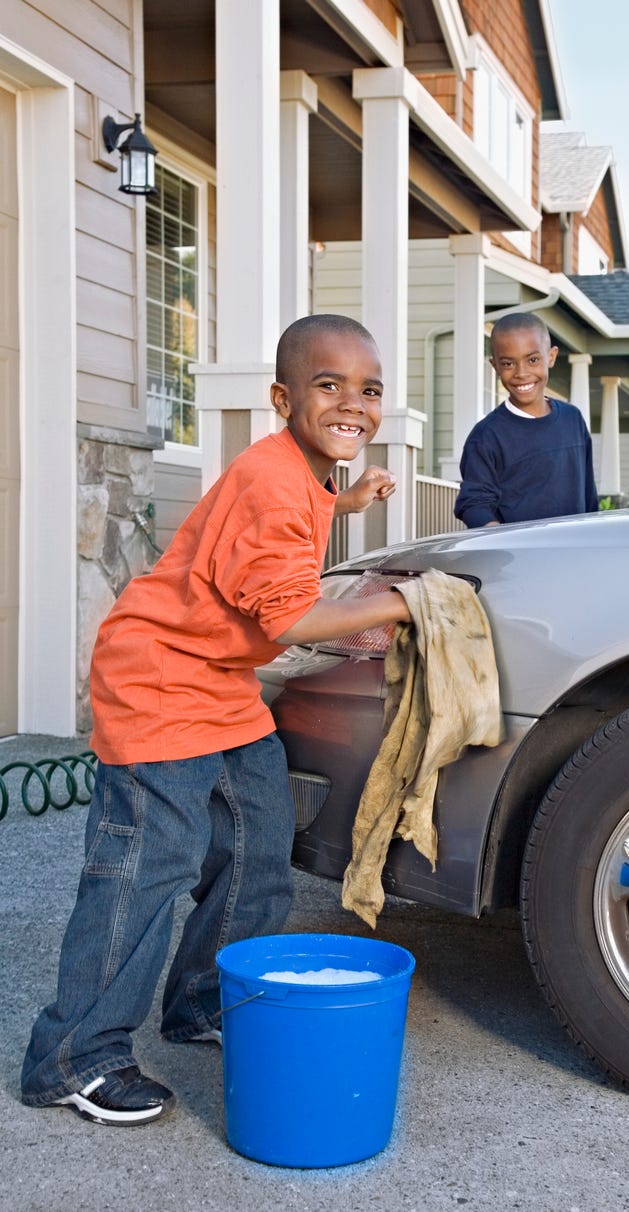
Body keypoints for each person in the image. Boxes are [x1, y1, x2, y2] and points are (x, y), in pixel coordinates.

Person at [21, 314, 412, 1127]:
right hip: (160, 681)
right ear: (281, 397)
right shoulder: (270, 479)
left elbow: (296, 526)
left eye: (368, 389)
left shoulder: (304, 471)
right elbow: (287, 619)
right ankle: (74, 1057)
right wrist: (397, 604)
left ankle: (200, 1003)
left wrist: (353, 497)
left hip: (220, 684)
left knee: (257, 843)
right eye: (328, 385)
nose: (353, 403)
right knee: (148, 867)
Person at [453, 311, 598, 527]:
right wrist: (504, 542)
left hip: (574, 552)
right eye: (508, 364)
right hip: (520, 556)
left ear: (551, 356)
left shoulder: (572, 419)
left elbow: (589, 496)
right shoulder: (486, 437)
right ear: (495, 366)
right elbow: (474, 505)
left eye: (532, 360)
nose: (522, 373)